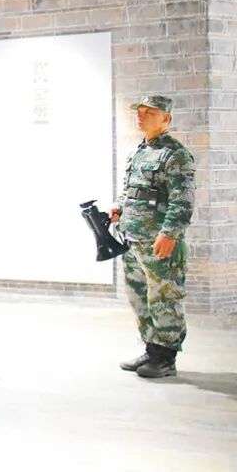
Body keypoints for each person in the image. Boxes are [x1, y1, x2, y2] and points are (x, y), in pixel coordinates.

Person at [109, 95, 196, 378]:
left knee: (164, 296)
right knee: (139, 296)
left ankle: (166, 357)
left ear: (166, 119)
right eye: (140, 111)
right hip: (134, 238)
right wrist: (119, 208)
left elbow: (183, 200)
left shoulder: (175, 154)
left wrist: (169, 233)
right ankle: (151, 348)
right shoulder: (139, 151)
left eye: (150, 112)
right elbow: (132, 190)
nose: (141, 116)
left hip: (158, 240)